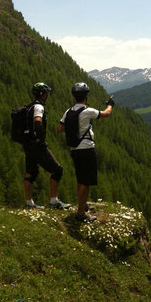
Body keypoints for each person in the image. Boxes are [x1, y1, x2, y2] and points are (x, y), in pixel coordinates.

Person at [58, 82, 114, 222]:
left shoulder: (68, 111)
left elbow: (60, 128)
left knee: (80, 179)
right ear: (86, 96)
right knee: (86, 181)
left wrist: (74, 128)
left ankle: (82, 205)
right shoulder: (87, 111)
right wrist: (110, 104)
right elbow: (106, 114)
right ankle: (81, 213)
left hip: (75, 150)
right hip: (87, 149)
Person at [22, 82, 70, 210]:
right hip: (37, 145)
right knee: (57, 170)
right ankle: (54, 202)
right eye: (46, 92)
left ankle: (29, 203)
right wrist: (41, 140)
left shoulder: (29, 107)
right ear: (42, 94)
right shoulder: (39, 107)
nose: (47, 95)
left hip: (27, 144)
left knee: (30, 173)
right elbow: (37, 121)